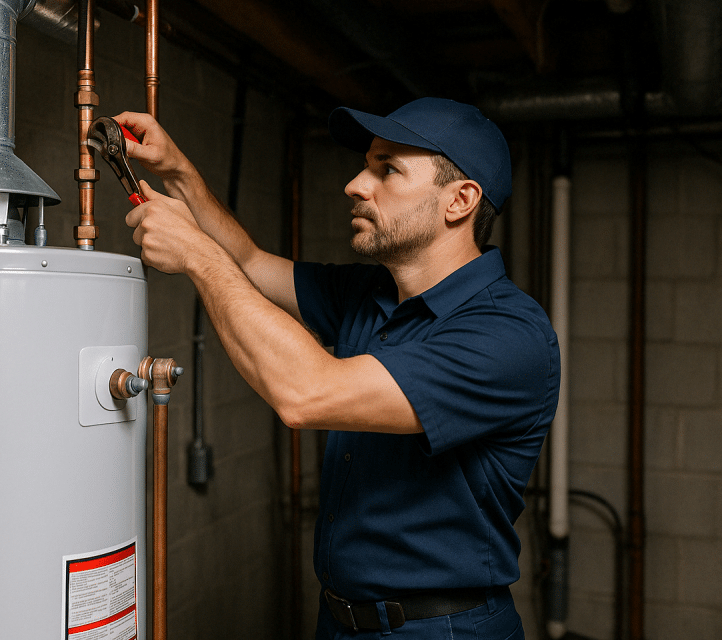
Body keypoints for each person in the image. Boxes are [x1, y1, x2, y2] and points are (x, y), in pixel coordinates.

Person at [115, 97, 560, 640]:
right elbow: (251, 265)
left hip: (441, 630)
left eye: (387, 169)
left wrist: (196, 256)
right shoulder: (371, 296)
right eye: (366, 164)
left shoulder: (506, 336)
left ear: (459, 201)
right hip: (342, 621)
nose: (355, 183)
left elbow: (307, 393)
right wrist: (179, 173)